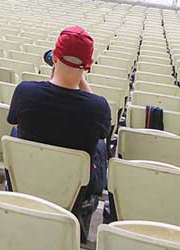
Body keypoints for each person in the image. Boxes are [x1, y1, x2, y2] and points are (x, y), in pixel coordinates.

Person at [6, 26, 111, 194]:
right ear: (88, 66)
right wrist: (81, 79)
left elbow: (16, 124)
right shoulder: (99, 108)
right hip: (72, 191)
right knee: (100, 144)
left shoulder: (24, 91)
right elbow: (101, 129)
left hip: (28, 178)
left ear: (54, 57)